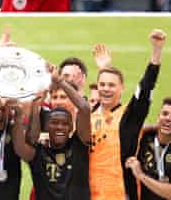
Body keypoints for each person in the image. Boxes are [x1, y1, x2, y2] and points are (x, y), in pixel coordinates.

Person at [89, 30, 165, 200]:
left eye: (111, 85)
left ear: (122, 88)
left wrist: (156, 51)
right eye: (102, 84)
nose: (105, 89)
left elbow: (145, 89)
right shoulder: (90, 116)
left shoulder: (129, 117)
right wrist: (105, 68)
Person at [13, 66, 91, 200]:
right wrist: (29, 110)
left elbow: (84, 108)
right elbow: (23, 144)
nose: (59, 127)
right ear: (47, 127)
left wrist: (59, 80)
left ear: (72, 127)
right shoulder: (38, 153)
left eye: (64, 124)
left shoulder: (79, 146)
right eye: (54, 123)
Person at [131, 97, 171, 200]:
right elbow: (124, 131)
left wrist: (141, 176)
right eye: (165, 114)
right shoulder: (144, 138)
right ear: (158, 117)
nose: (168, 118)